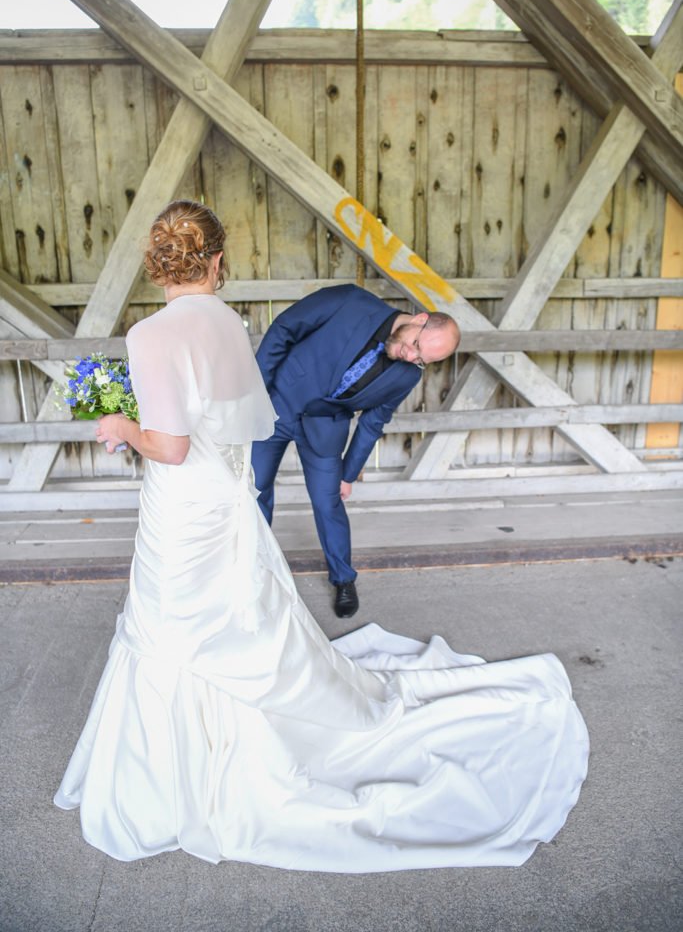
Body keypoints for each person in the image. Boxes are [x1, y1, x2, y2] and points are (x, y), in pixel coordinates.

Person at [54, 199, 589, 872]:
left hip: (185, 503)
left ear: (155, 262)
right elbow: (244, 407)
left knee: (169, 620)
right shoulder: (226, 320)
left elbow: (167, 445)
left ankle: (175, 770)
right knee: (233, 614)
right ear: (216, 261)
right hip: (224, 496)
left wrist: (118, 425)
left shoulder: (149, 335)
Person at [253, 285, 461, 619]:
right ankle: (255, 574)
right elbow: (285, 329)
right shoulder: (350, 300)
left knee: (328, 503)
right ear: (419, 319)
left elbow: (372, 423)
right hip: (274, 406)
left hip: (325, 432)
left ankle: (344, 579)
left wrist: (348, 474)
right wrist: (256, 393)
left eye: (422, 360)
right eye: (415, 346)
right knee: (255, 492)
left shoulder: (407, 374)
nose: (411, 358)